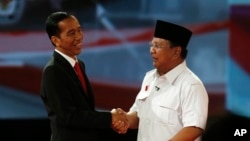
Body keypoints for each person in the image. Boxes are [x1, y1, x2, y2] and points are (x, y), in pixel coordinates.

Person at [113, 20, 209, 141]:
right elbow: (138, 115)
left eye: (157, 46)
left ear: (176, 52)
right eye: (151, 45)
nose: (151, 50)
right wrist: (124, 119)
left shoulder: (191, 85)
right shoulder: (149, 78)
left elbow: (194, 128)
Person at [40, 11, 128, 141]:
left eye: (79, 30)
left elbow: (84, 110)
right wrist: (110, 118)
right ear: (56, 40)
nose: (79, 37)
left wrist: (110, 120)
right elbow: (69, 116)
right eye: (71, 33)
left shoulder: (79, 64)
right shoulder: (53, 71)